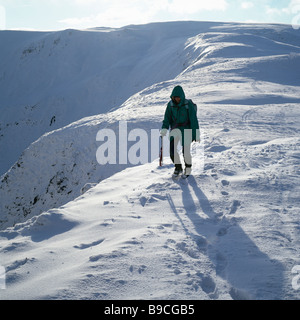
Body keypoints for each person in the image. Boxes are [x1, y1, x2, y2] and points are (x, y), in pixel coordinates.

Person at [160, 85, 200, 177]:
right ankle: (178, 167)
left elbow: (193, 120)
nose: (177, 99)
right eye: (175, 97)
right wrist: (164, 129)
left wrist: (196, 134)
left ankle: (188, 168)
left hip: (186, 130)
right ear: (172, 97)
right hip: (175, 129)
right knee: (172, 151)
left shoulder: (187, 104)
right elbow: (167, 119)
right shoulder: (170, 105)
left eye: (178, 97)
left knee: (186, 152)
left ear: (182, 96)